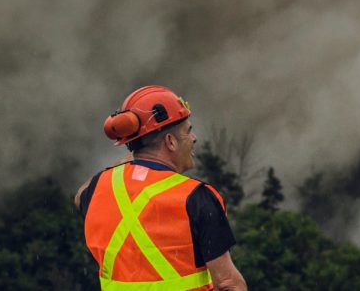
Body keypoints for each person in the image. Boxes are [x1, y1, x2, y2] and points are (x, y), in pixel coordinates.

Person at [76, 85, 247, 290]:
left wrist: (137, 153)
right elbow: (228, 283)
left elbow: (80, 196)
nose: (194, 138)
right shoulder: (197, 197)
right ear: (170, 142)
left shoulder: (98, 189)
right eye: (188, 131)